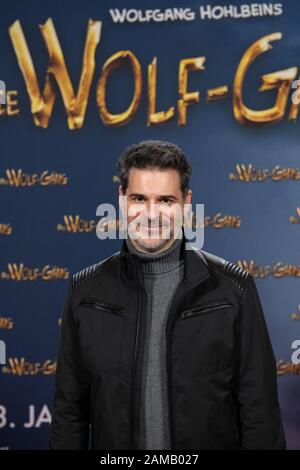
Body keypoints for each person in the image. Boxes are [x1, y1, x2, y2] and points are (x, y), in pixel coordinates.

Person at [49, 139, 286, 450]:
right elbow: (69, 415)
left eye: (165, 201)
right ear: (121, 200)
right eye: (139, 199)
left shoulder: (234, 289)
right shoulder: (85, 291)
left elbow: (260, 415)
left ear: (185, 204)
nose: (151, 214)